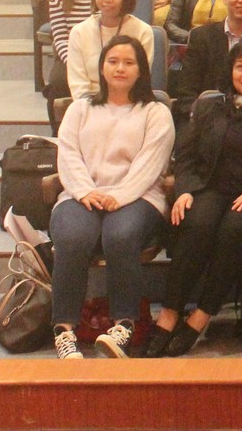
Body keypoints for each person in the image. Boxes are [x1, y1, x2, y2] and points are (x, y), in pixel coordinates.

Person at [146, 39, 242, 358]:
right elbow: (186, 155)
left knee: (234, 229)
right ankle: (170, 312)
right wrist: (186, 190)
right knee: (198, 224)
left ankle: (203, 312)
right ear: (230, 70)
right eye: (241, 66)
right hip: (212, 188)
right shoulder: (209, 106)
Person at [50, 35, 174, 359]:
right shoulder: (80, 108)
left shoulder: (155, 112)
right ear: (102, 67)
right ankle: (64, 330)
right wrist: (85, 191)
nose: (120, 68)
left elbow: (152, 163)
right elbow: (68, 155)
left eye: (129, 62)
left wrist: (120, 195)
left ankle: (124, 325)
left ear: (141, 70)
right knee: (73, 236)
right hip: (82, 194)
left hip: (139, 197)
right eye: (113, 61)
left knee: (120, 235)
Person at [66, 0, 155, 100]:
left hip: (130, 104)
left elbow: (140, 80)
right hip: (90, 106)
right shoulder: (79, 32)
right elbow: (78, 87)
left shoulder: (143, 31)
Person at [45, 0, 101, 110]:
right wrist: (75, 62)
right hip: (69, 54)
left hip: (103, 54)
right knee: (58, 83)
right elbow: (60, 39)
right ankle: (58, 133)